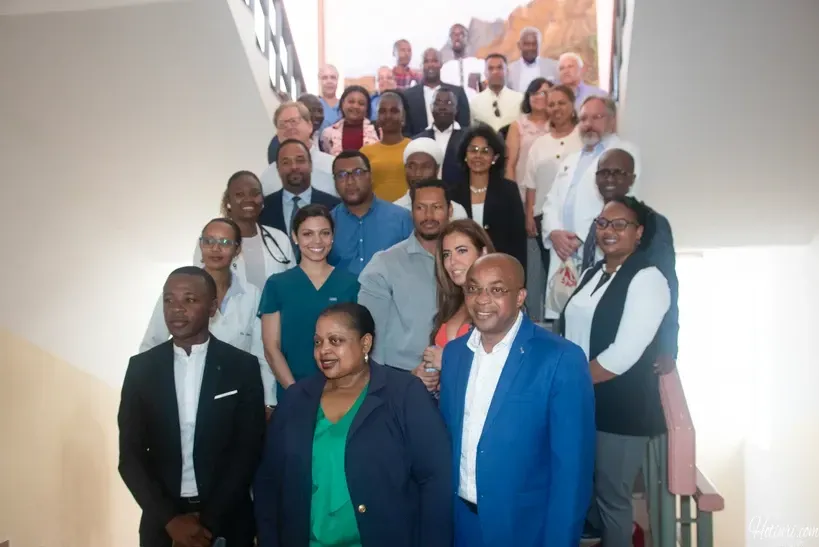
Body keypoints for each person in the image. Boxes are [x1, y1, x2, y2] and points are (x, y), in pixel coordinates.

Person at [254, 303, 453, 547]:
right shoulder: (297, 399)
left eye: (335, 341)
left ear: (365, 343)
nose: (324, 350)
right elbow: (269, 480)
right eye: (318, 342)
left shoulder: (403, 393)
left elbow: (435, 478)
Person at [438, 253, 595, 546]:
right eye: (473, 289)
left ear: (520, 296)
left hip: (526, 528)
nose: (482, 299)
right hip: (461, 524)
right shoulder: (455, 354)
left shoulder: (561, 358)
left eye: (497, 290)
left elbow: (572, 471)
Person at [119, 267, 266, 547]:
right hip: (162, 522)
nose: (177, 309)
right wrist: (171, 521)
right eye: (169, 300)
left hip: (227, 519)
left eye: (189, 299)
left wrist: (205, 524)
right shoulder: (141, 369)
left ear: (212, 307)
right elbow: (130, 455)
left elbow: (248, 449)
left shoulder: (241, 367)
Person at [559, 197, 671, 547]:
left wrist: (568, 384)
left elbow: (623, 355)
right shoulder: (593, 273)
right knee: (588, 491)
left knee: (613, 499)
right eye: (603, 223)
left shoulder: (649, 279)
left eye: (620, 224)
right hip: (584, 400)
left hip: (621, 410)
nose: (609, 230)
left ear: (638, 232)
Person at [142, 218, 276, 407]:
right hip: (185, 389)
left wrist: (267, 402)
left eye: (225, 242)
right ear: (201, 245)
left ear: (237, 249)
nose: (215, 248)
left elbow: (260, 354)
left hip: (236, 393)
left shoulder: (252, 294)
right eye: (209, 241)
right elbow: (152, 342)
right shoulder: (178, 288)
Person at [582, 148, 679, 375]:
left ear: (631, 180)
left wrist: (668, 347)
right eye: (603, 173)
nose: (609, 179)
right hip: (596, 334)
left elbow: (667, 284)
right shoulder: (599, 222)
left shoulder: (652, 222)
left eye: (618, 173)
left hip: (631, 346)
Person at [259, 204, 359, 400]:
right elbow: (271, 348)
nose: (317, 241)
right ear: (295, 237)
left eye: (324, 233)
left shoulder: (350, 283)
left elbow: (355, 344)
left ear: (333, 236)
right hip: (292, 392)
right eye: (307, 234)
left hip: (342, 395)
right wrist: (296, 393)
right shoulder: (277, 285)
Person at [358, 179, 451, 371]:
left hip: (458, 371)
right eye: (420, 208)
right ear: (411, 212)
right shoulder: (385, 264)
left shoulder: (464, 262)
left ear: (450, 211)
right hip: (401, 375)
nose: (429, 215)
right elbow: (369, 334)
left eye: (436, 207)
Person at [521, 84, 582, 321]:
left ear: (572, 106)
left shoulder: (582, 138)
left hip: (577, 219)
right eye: (552, 104)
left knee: (579, 277)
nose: (556, 108)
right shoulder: (540, 144)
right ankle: (555, 325)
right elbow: (531, 183)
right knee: (552, 276)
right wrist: (529, 215)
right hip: (544, 220)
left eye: (561, 103)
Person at [413, 219, 495, 393]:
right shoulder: (450, 306)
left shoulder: (500, 304)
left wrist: (447, 361)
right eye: (446, 254)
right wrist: (422, 376)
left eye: (462, 251)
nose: (452, 261)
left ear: (483, 253)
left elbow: (503, 369)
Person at [195, 171, 295, 291]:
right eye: (239, 194)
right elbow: (200, 286)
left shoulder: (280, 239)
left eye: (255, 194)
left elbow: (293, 283)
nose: (248, 199)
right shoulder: (209, 241)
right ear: (228, 201)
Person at [451, 122, 527, 269]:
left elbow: (518, 240)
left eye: (485, 151)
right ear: (465, 155)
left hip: (500, 268)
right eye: (473, 150)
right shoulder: (453, 193)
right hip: (462, 268)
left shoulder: (508, 191)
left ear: (494, 158)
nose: (478, 156)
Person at [329, 150, 413, 275]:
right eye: (341, 175)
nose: (350, 181)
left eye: (357, 173)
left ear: (371, 176)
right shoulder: (328, 223)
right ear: (334, 181)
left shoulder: (402, 219)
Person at [258, 139, 340, 237]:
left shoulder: (334, 206)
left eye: (300, 160)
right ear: (278, 169)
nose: (294, 167)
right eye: (286, 162)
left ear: (310, 165)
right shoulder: (263, 209)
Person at [260, 101, 336, 196]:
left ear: (310, 126)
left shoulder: (332, 167)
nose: (288, 127)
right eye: (282, 124)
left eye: (293, 121)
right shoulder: (268, 176)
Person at [393, 137, 468, 219]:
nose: (418, 174)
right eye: (412, 166)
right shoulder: (394, 211)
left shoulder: (456, 211)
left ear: (437, 170)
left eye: (425, 167)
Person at [403, 48, 471, 136]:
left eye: (434, 61)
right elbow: (406, 129)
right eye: (426, 61)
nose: (430, 65)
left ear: (441, 64)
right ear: (421, 65)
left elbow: (465, 127)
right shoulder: (408, 96)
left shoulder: (458, 93)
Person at [360, 91, 411, 201]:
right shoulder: (365, 152)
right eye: (382, 111)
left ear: (403, 117)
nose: (388, 116)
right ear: (377, 117)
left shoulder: (414, 148)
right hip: (376, 210)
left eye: (394, 111)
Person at [321, 85, 380, 155]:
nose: (355, 106)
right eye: (351, 102)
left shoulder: (377, 131)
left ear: (367, 108)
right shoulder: (328, 134)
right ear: (342, 103)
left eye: (361, 103)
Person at [507, 27, 559, 91]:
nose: (531, 48)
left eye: (534, 44)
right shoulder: (510, 71)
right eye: (527, 44)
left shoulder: (553, 67)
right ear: (519, 45)